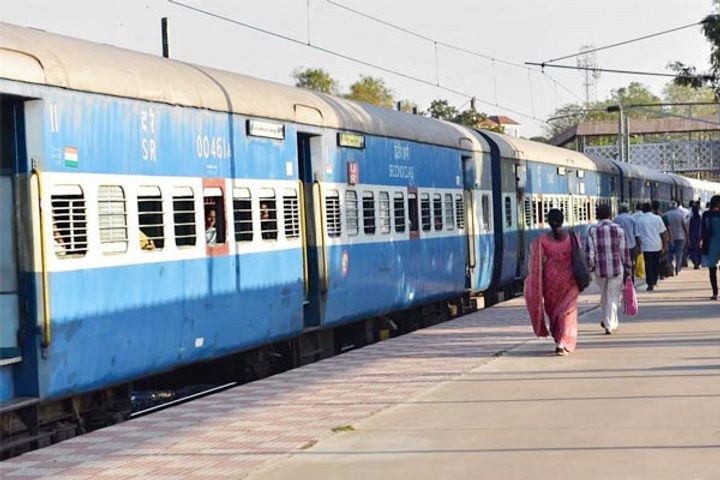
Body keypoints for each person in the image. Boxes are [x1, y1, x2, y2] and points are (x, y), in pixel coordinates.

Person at [524, 209, 580, 356]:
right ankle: (563, 342)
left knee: (555, 312)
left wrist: (534, 283)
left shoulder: (541, 240)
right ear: (563, 220)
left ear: (548, 222)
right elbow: (580, 256)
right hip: (570, 281)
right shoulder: (572, 237)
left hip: (551, 282)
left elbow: (535, 264)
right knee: (568, 312)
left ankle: (559, 339)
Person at [587, 204, 631, 335]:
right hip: (617, 268)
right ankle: (609, 324)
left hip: (600, 270)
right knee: (613, 296)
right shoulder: (619, 230)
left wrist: (590, 268)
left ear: (597, 215)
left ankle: (609, 321)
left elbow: (590, 253)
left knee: (604, 295)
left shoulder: (592, 230)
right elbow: (624, 251)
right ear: (610, 215)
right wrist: (628, 266)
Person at [636, 202, 668, 291]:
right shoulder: (657, 218)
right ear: (651, 209)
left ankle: (650, 283)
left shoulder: (639, 220)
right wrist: (665, 245)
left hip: (646, 247)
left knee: (648, 265)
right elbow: (663, 233)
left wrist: (639, 246)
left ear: (642, 210)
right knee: (656, 264)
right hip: (657, 245)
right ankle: (654, 280)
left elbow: (637, 235)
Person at [614, 202, 640, 280]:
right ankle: (631, 280)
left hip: (620, 247)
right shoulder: (632, 219)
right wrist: (639, 246)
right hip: (632, 245)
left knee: (622, 265)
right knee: (631, 264)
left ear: (620, 209)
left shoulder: (616, 219)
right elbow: (636, 234)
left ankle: (624, 280)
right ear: (627, 209)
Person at [701, 195, 720, 300]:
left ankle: (715, 293)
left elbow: (703, 231)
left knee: (712, 270)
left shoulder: (706, 215)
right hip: (715, 244)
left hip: (711, 245)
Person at [664, 201, 688, 275]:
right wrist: (687, 235)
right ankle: (678, 268)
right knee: (679, 253)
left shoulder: (666, 215)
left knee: (670, 253)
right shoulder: (680, 215)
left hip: (669, 237)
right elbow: (684, 226)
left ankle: (670, 267)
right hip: (680, 237)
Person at [688, 203, 703, 269]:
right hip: (699, 235)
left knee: (693, 250)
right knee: (699, 250)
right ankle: (698, 262)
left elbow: (690, 228)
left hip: (693, 236)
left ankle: (695, 262)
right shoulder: (700, 218)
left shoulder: (692, 218)